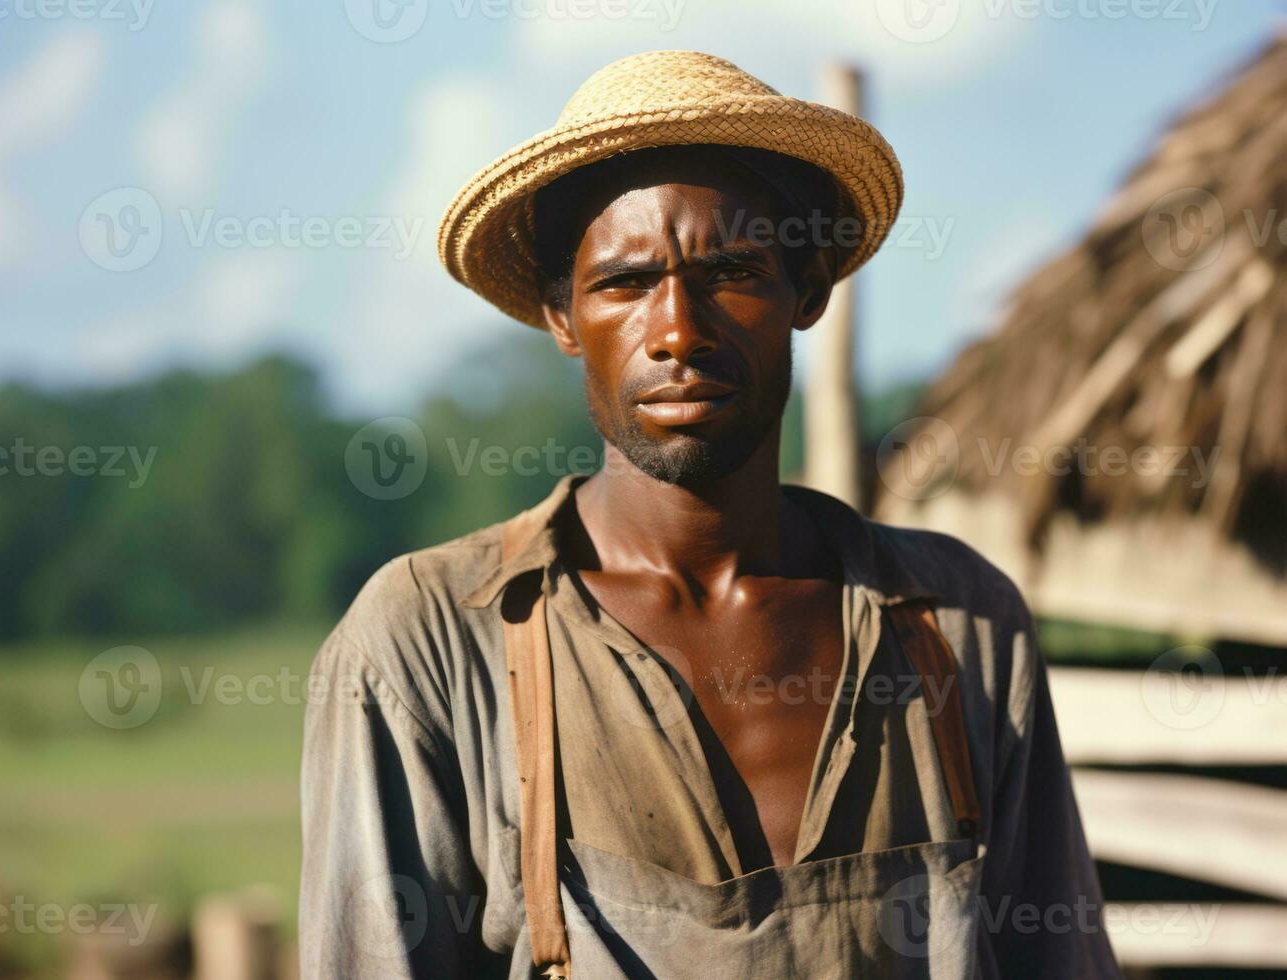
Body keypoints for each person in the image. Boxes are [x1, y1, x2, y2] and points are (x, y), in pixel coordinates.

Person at [299, 50, 1121, 979]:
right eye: (624, 282)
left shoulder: (956, 625)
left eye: (730, 270)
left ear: (806, 290)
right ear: (562, 316)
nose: (679, 331)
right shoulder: (434, 642)